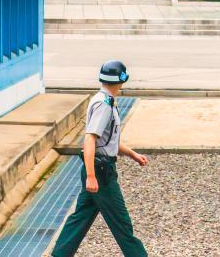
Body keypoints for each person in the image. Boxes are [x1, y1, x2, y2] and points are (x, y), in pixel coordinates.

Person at [51, 60, 148, 257]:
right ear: (119, 81)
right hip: (101, 171)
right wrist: (91, 176)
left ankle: (59, 255)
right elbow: (90, 139)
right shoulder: (104, 105)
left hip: (99, 167)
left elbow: (108, 141)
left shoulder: (103, 99)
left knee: (80, 217)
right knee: (122, 223)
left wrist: (132, 154)